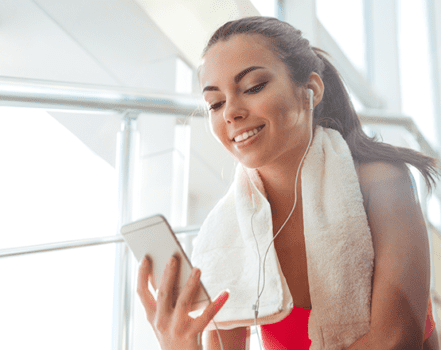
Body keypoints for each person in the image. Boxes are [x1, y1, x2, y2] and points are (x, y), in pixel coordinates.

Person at [137, 16, 439, 350]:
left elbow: (397, 339)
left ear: (310, 89)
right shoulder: (226, 231)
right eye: (215, 103)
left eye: (252, 87)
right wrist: (179, 345)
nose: (231, 112)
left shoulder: (382, 181)